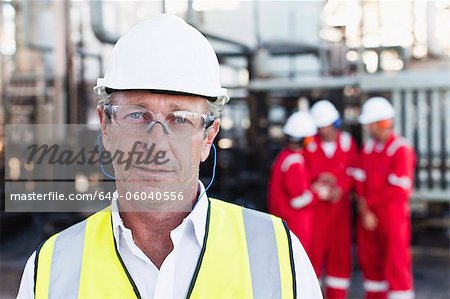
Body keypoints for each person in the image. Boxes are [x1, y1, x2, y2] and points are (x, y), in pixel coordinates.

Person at [17, 14, 322, 298]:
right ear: (106, 127)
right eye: (137, 115)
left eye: (180, 119)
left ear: (208, 137)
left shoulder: (280, 255)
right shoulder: (49, 269)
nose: (156, 143)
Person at [353, 97, 416, 299]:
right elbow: (359, 181)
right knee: (371, 264)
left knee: (396, 265)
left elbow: (399, 190)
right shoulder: (369, 148)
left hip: (392, 218)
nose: (369, 129)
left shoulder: (401, 149)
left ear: (382, 123)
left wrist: (367, 205)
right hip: (369, 218)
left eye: (371, 124)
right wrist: (365, 210)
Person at [304, 100, 358, 299]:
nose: (325, 130)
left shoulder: (348, 143)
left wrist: (341, 188)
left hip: (340, 212)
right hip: (317, 211)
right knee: (313, 257)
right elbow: (304, 172)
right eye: (321, 127)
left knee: (340, 258)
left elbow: (354, 172)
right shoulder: (309, 144)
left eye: (327, 125)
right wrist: (320, 181)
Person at [268, 111, 318, 255]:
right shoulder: (295, 162)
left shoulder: (285, 156)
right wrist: (317, 193)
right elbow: (297, 200)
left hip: (285, 222)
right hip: (295, 224)